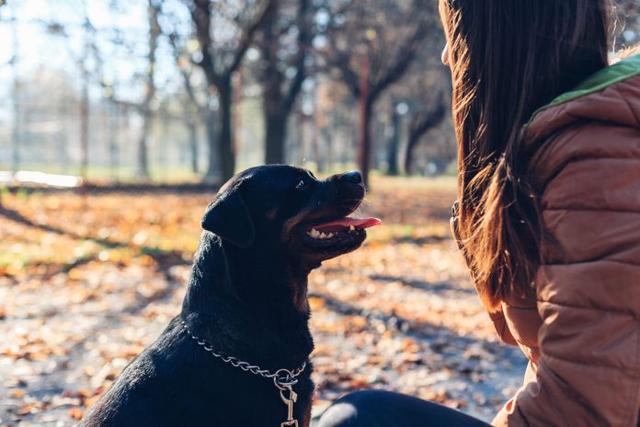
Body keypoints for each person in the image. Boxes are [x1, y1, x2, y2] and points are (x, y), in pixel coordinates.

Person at [318, 0, 640, 425]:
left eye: (456, 34)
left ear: (502, 42)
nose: (447, 56)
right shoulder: (572, 140)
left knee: (357, 419)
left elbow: (585, 407)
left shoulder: (596, 158)